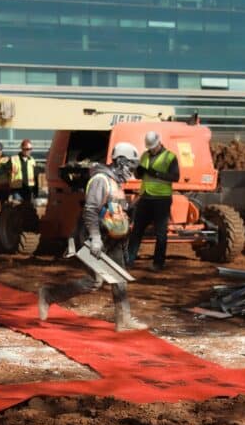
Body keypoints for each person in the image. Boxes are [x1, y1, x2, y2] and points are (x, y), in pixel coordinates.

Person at [38, 142, 148, 332]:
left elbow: (116, 210)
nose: (132, 170)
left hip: (112, 238)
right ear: (120, 161)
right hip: (92, 237)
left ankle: (124, 320)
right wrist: (95, 238)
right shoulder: (101, 180)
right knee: (95, 281)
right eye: (130, 165)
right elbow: (90, 211)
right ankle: (49, 295)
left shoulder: (116, 183)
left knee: (118, 277)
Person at [127, 131, 179, 271]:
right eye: (149, 147)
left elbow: (175, 177)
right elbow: (139, 176)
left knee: (161, 233)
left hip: (161, 199)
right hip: (145, 197)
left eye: (153, 147)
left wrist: (155, 173)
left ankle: (158, 263)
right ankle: (129, 260)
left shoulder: (170, 157)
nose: (151, 149)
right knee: (137, 230)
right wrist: (138, 171)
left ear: (159, 143)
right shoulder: (145, 155)